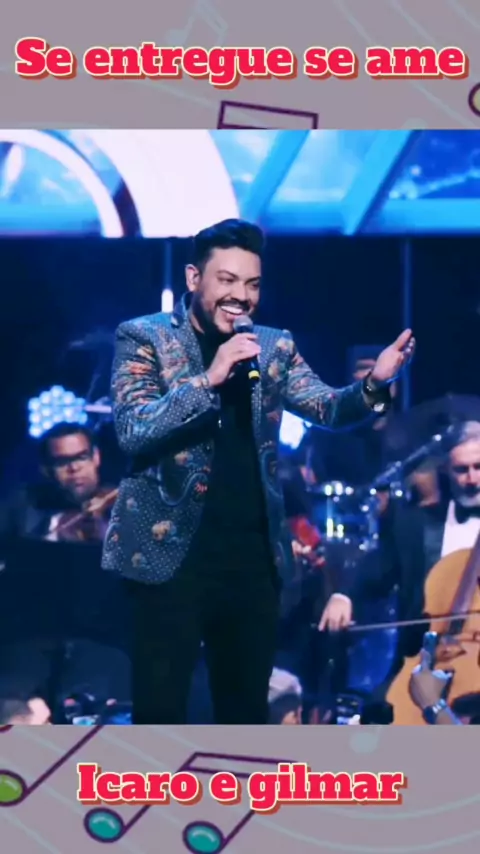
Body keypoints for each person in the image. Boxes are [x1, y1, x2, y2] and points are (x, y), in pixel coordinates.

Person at [103, 217, 415, 725]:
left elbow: (327, 408)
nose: (241, 296)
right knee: (160, 713)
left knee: (246, 713)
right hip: (167, 557)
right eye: (227, 280)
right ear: (193, 278)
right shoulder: (145, 337)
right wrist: (209, 378)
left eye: (252, 284)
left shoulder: (272, 346)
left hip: (250, 559)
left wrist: (374, 386)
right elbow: (134, 429)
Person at [0, 423, 130, 715]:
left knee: (89, 711)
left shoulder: (124, 506)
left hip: (101, 641)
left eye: (81, 457)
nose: (74, 469)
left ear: (96, 457)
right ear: (47, 470)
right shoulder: (24, 505)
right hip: (29, 638)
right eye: (62, 462)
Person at [357, 419, 480, 701]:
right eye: (462, 470)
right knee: (377, 712)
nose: (472, 479)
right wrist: (343, 596)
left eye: (479, 467)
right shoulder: (414, 524)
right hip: (425, 663)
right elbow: (378, 571)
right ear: (446, 469)